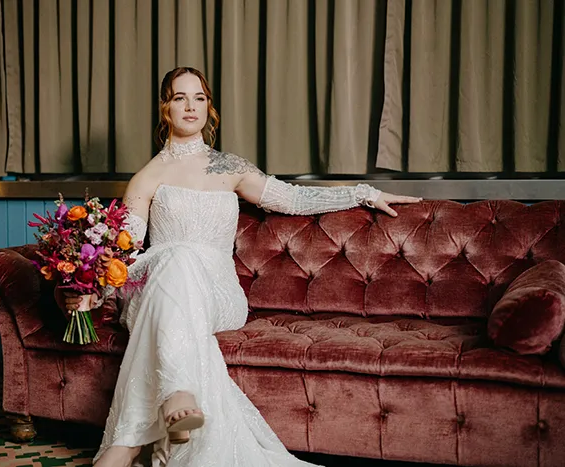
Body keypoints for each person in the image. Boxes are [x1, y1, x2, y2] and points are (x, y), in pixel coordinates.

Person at [63, 67, 422, 467]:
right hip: (160, 285)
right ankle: (176, 398)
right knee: (176, 259)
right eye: (180, 98)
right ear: (165, 107)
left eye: (199, 98)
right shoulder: (147, 178)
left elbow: (294, 199)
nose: (190, 106)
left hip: (218, 293)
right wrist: (93, 291)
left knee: (180, 263)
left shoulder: (228, 167)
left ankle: (127, 445)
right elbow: (123, 254)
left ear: (208, 106)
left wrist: (364, 193)